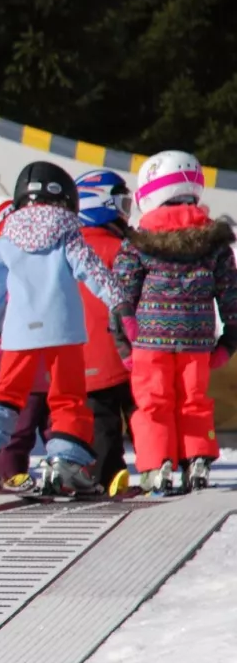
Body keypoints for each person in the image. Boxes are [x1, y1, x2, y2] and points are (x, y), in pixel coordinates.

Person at [0, 162, 123, 494]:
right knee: (68, 398)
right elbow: (91, 270)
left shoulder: (5, 239)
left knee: (6, 392)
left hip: (19, 334)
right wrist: (119, 300)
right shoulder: (68, 233)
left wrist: (0, 322)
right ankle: (66, 464)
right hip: (65, 332)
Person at [111, 151, 237, 494]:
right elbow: (230, 297)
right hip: (197, 343)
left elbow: (121, 294)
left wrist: (124, 341)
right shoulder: (214, 243)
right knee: (194, 401)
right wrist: (229, 342)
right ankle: (197, 459)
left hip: (149, 342)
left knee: (153, 404)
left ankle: (157, 464)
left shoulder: (138, 242)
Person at [73, 169, 136, 488]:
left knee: (102, 423)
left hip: (85, 357)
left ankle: (104, 475)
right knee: (141, 414)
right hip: (126, 352)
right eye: (122, 204)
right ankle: (159, 465)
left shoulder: (70, 250)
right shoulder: (121, 249)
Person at [0, 199, 52, 483]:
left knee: (18, 428)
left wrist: (1, 332)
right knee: (58, 424)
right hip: (54, 359)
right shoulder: (52, 267)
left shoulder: (4, 269)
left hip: (16, 361)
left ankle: (9, 473)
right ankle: (70, 468)